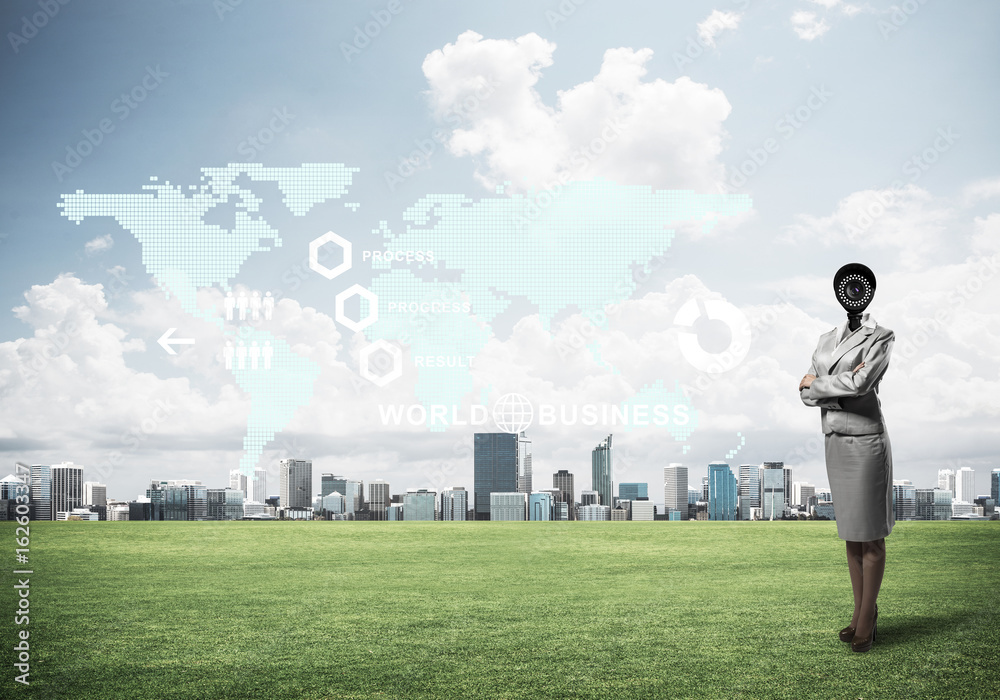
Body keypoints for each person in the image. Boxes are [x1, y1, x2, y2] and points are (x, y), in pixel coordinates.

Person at [799, 263, 894, 654]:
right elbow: (803, 393)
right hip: (835, 441)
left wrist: (820, 387)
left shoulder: (882, 336)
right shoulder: (825, 340)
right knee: (851, 536)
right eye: (846, 288)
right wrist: (835, 388)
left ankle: (868, 618)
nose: (853, 294)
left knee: (870, 535)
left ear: (868, 292)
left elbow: (862, 382)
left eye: (859, 288)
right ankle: (859, 614)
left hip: (867, 443)